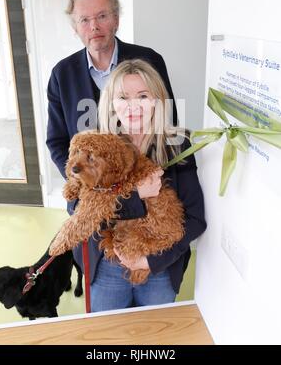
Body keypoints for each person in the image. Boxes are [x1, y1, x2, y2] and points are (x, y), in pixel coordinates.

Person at [46, 0, 178, 297]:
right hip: (94, 216)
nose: (94, 26)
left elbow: (167, 123)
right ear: (75, 27)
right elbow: (56, 142)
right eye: (85, 20)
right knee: (106, 318)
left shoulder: (148, 60)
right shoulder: (62, 74)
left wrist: (143, 190)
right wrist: (84, 184)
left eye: (102, 16)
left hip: (147, 209)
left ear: (116, 19)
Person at [87, 58, 206, 311]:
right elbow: (82, 211)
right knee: (108, 339)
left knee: (153, 337)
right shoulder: (96, 148)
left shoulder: (177, 145)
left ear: (157, 101)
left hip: (159, 267)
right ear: (111, 103)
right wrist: (136, 195)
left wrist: (150, 261)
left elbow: (196, 219)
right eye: (123, 97)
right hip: (109, 263)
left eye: (142, 96)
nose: (133, 107)